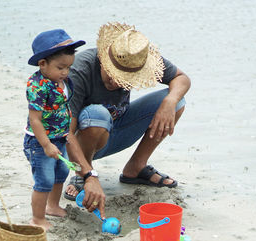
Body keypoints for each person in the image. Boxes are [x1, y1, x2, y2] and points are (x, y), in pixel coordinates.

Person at [63, 22, 191, 219]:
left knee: (177, 101)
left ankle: (135, 167)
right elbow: (66, 134)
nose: (116, 83)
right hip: (82, 142)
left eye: (125, 79)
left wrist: (169, 101)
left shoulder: (138, 57)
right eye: (113, 75)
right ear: (104, 59)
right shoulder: (80, 69)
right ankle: (81, 174)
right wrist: (88, 175)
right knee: (97, 114)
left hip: (119, 129)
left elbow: (182, 79)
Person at [23, 29, 85, 230]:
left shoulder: (64, 80)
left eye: (69, 67)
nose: (66, 72)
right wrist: (46, 144)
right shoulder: (37, 86)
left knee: (60, 173)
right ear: (42, 64)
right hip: (40, 141)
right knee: (44, 179)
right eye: (61, 67)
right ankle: (37, 218)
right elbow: (35, 120)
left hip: (60, 137)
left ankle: (53, 205)